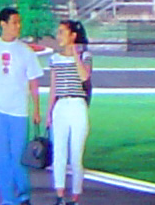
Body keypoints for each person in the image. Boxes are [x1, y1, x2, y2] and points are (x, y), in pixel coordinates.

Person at [0, 5, 44, 205]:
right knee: (0, 157)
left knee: (18, 156)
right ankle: (7, 198)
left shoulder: (25, 51)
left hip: (19, 110)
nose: (18, 26)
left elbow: (33, 82)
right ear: (3, 24)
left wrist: (36, 109)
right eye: (14, 22)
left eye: (19, 22)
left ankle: (23, 195)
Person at [47, 19, 92, 205]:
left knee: (76, 155)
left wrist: (75, 55)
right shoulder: (54, 59)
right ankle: (60, 195)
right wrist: (49, 112)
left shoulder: (85, 55)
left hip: (77, 104)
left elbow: (84, 76)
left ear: (72, 35)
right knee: (59, 152)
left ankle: (75, 195)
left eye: (62, 32)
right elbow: (53, 87)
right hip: (61, 105)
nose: (59, 36)